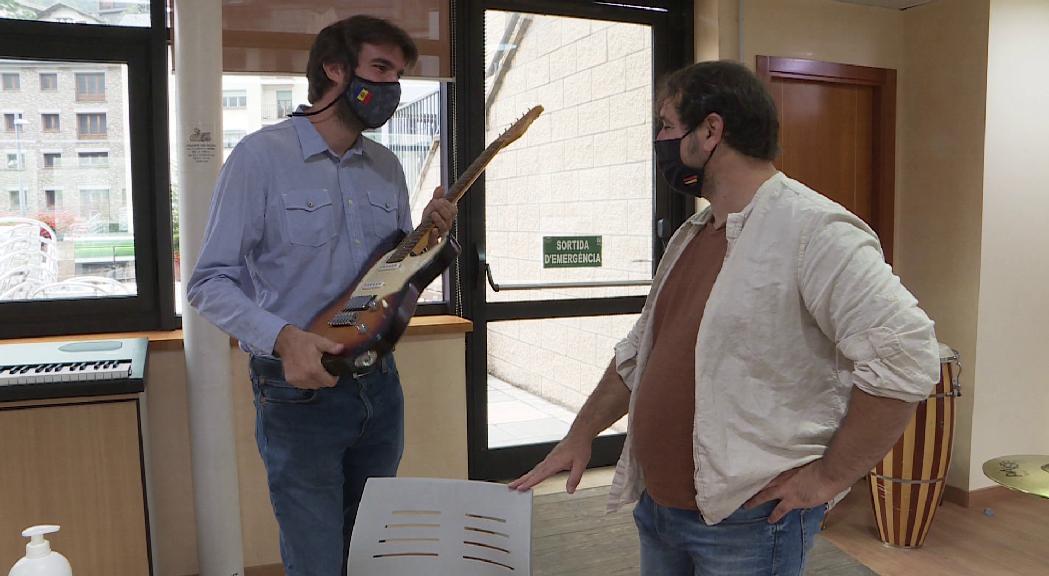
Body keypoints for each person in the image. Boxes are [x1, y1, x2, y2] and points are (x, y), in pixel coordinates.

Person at [510, 60, 939, 575]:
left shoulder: (814, 230)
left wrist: (826, 478)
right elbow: (639, 352)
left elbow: (907, 355)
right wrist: (580, 434)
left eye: (667, 126)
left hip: (749, 523)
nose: (661, 141)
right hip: (660, 508)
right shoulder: (693, 233)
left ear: (711, 130)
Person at [187, 15, 456, 576]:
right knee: (315, 557)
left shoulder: (385, 167)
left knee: (370, 548)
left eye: (400, 75)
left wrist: (428, 242)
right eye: (379, 68)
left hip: (380, 389)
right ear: (334, 69)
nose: (391, 88)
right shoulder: (261, 157)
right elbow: (208, 283)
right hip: (297, 396)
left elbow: (390, 279)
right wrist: (283, 339)